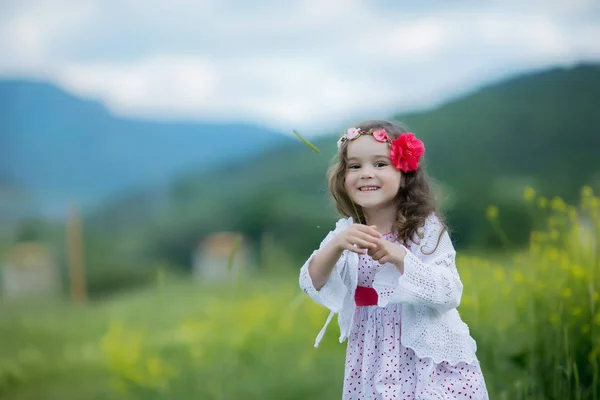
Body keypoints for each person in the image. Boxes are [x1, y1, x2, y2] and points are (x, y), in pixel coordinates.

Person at [299, 120, 489, 399]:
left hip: (424, 356)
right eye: (354, 166)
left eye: (379, 164)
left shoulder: (424, 228)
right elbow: (311, 281)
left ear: (404, 173)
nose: (366, 174)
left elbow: (450, 291)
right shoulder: (346, 232)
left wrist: (402, 259)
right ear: (342, 177)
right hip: (372, 355)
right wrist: (336, 246)